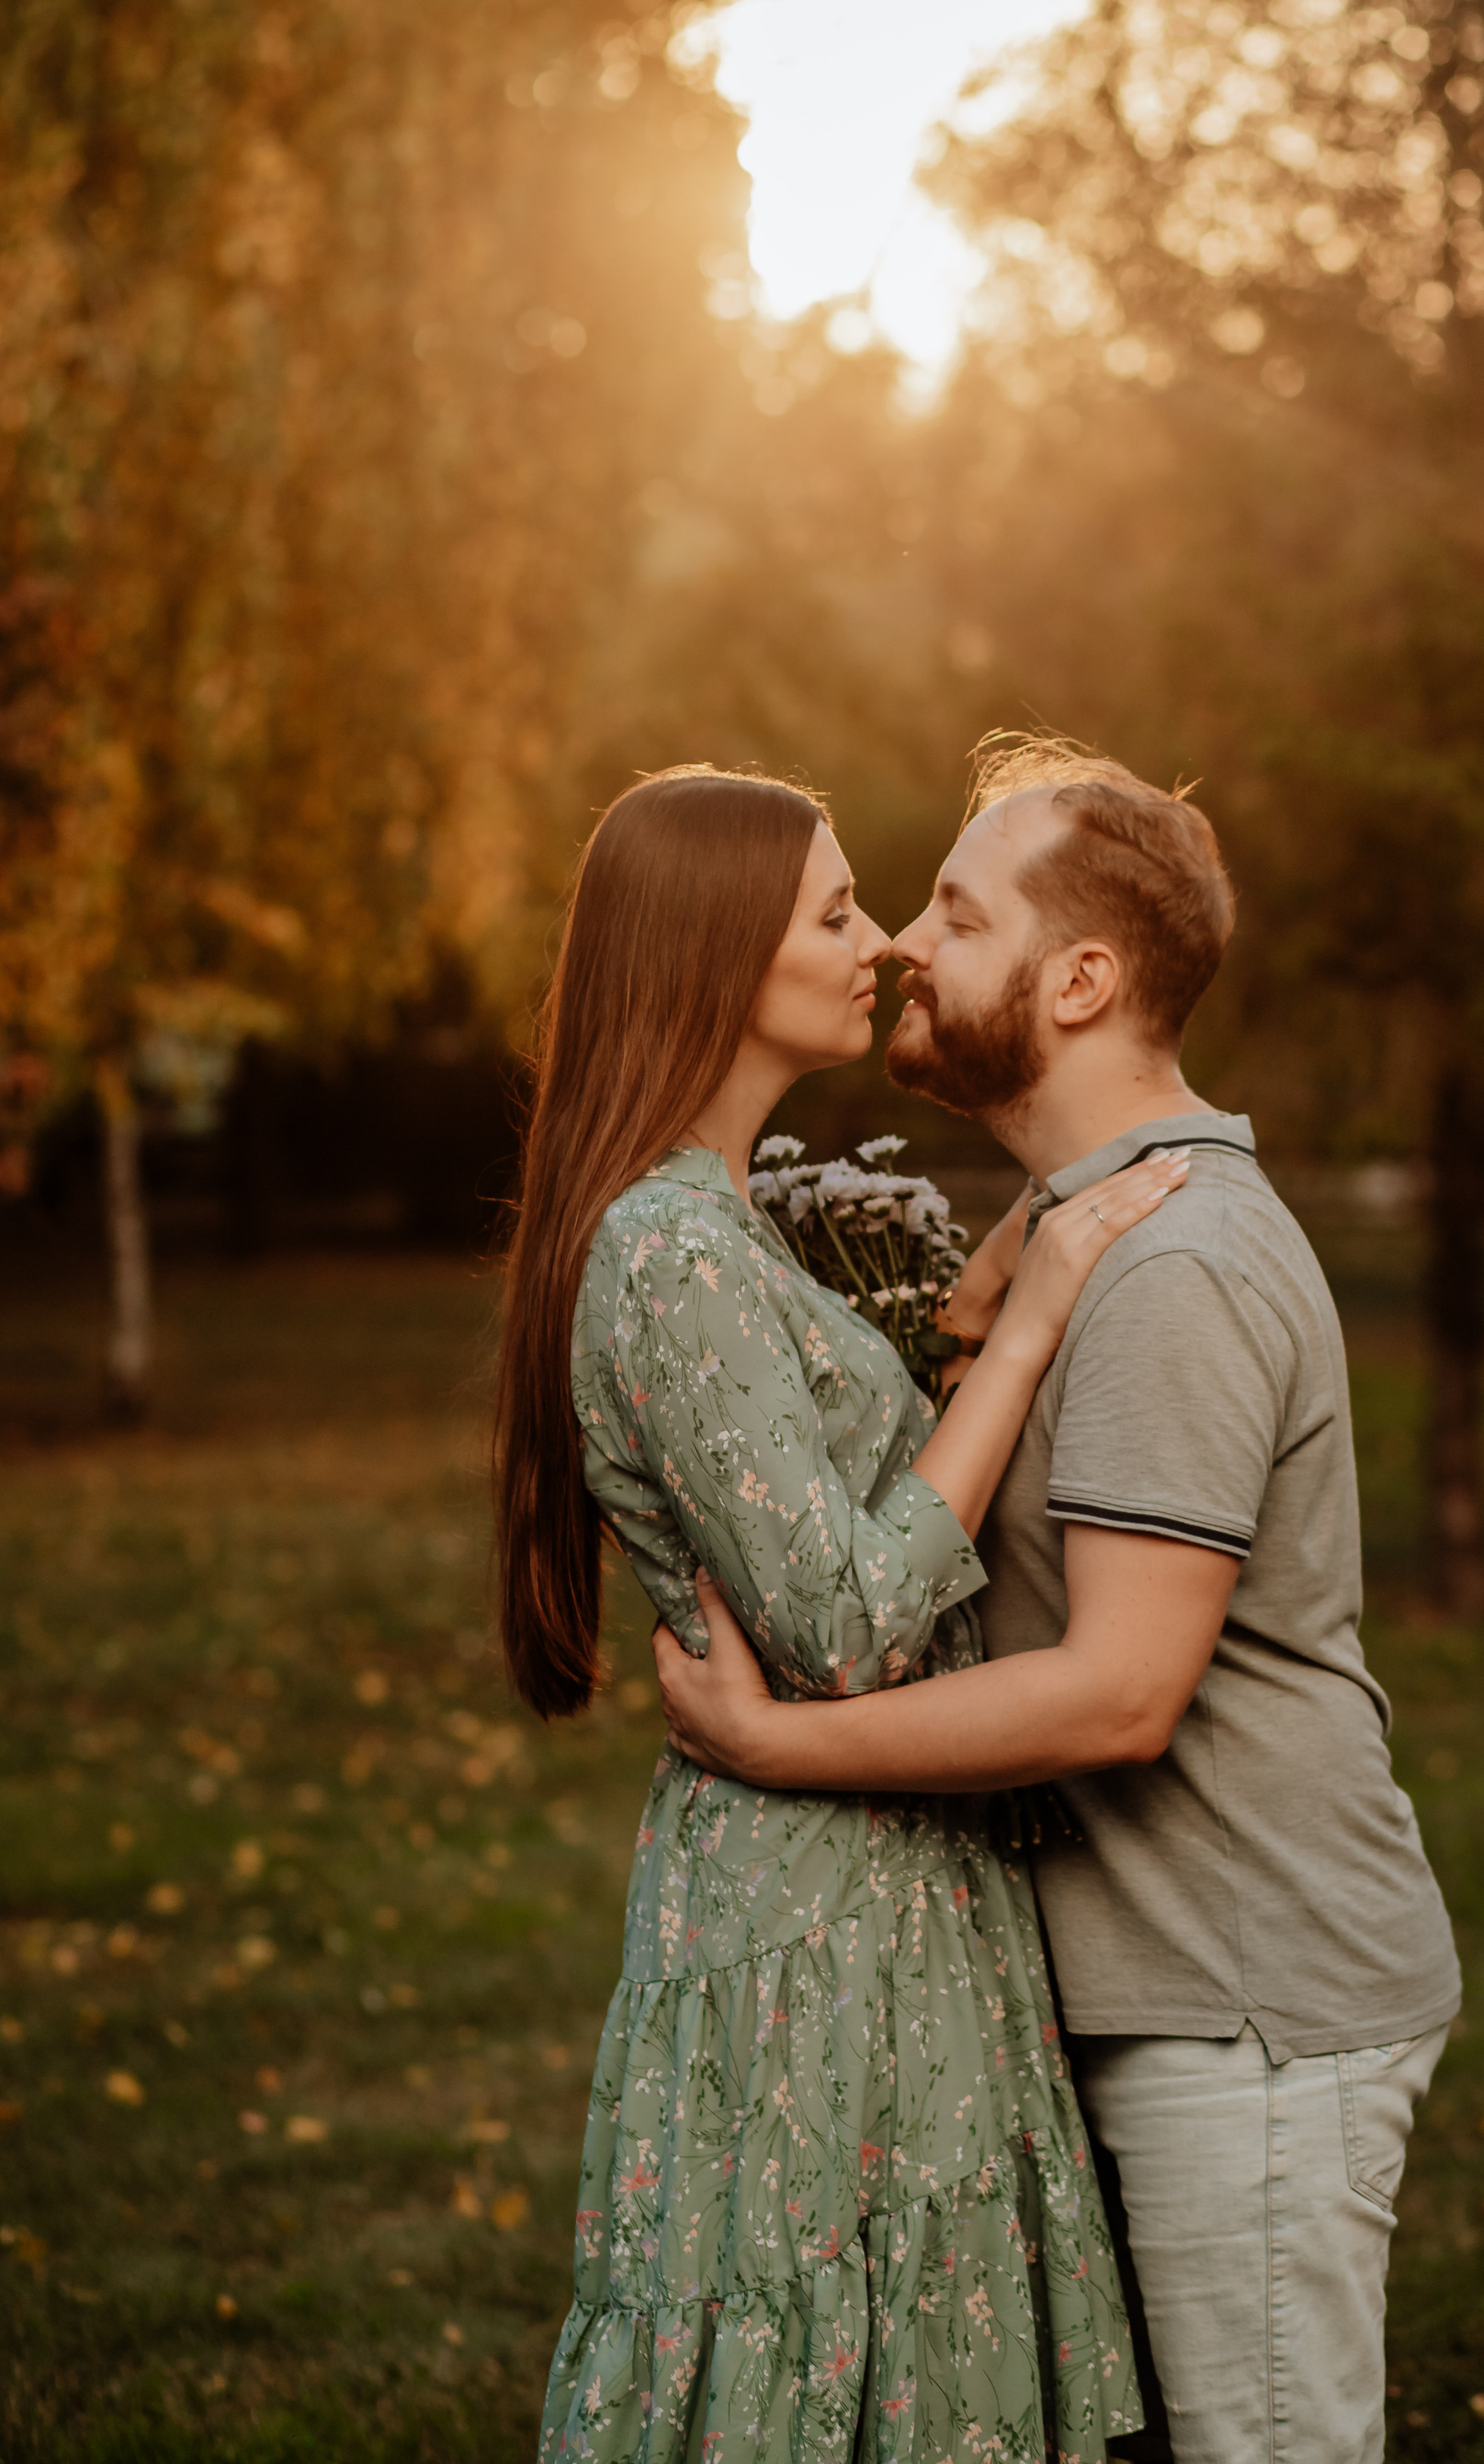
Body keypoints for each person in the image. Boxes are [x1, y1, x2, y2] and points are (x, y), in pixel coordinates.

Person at [654, 736, 1463, 2464]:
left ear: (1078, 978)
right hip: (1146, 1993)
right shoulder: (1086, 1223)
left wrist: (774, 1747)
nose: (900, 947)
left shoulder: (1171, 1263)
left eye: (951, 909)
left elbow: (1116, 1695)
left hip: (1239, 2010)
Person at [493, 763, 1192, 2464]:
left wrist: (965, 1310)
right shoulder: (668, 1252)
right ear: (712, 958)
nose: (880, 946)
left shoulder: (730, 1229)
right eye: (833, 914)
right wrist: (1025, 1336)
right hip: (812, 1927)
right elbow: (841, 1628)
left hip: (887, 1885)